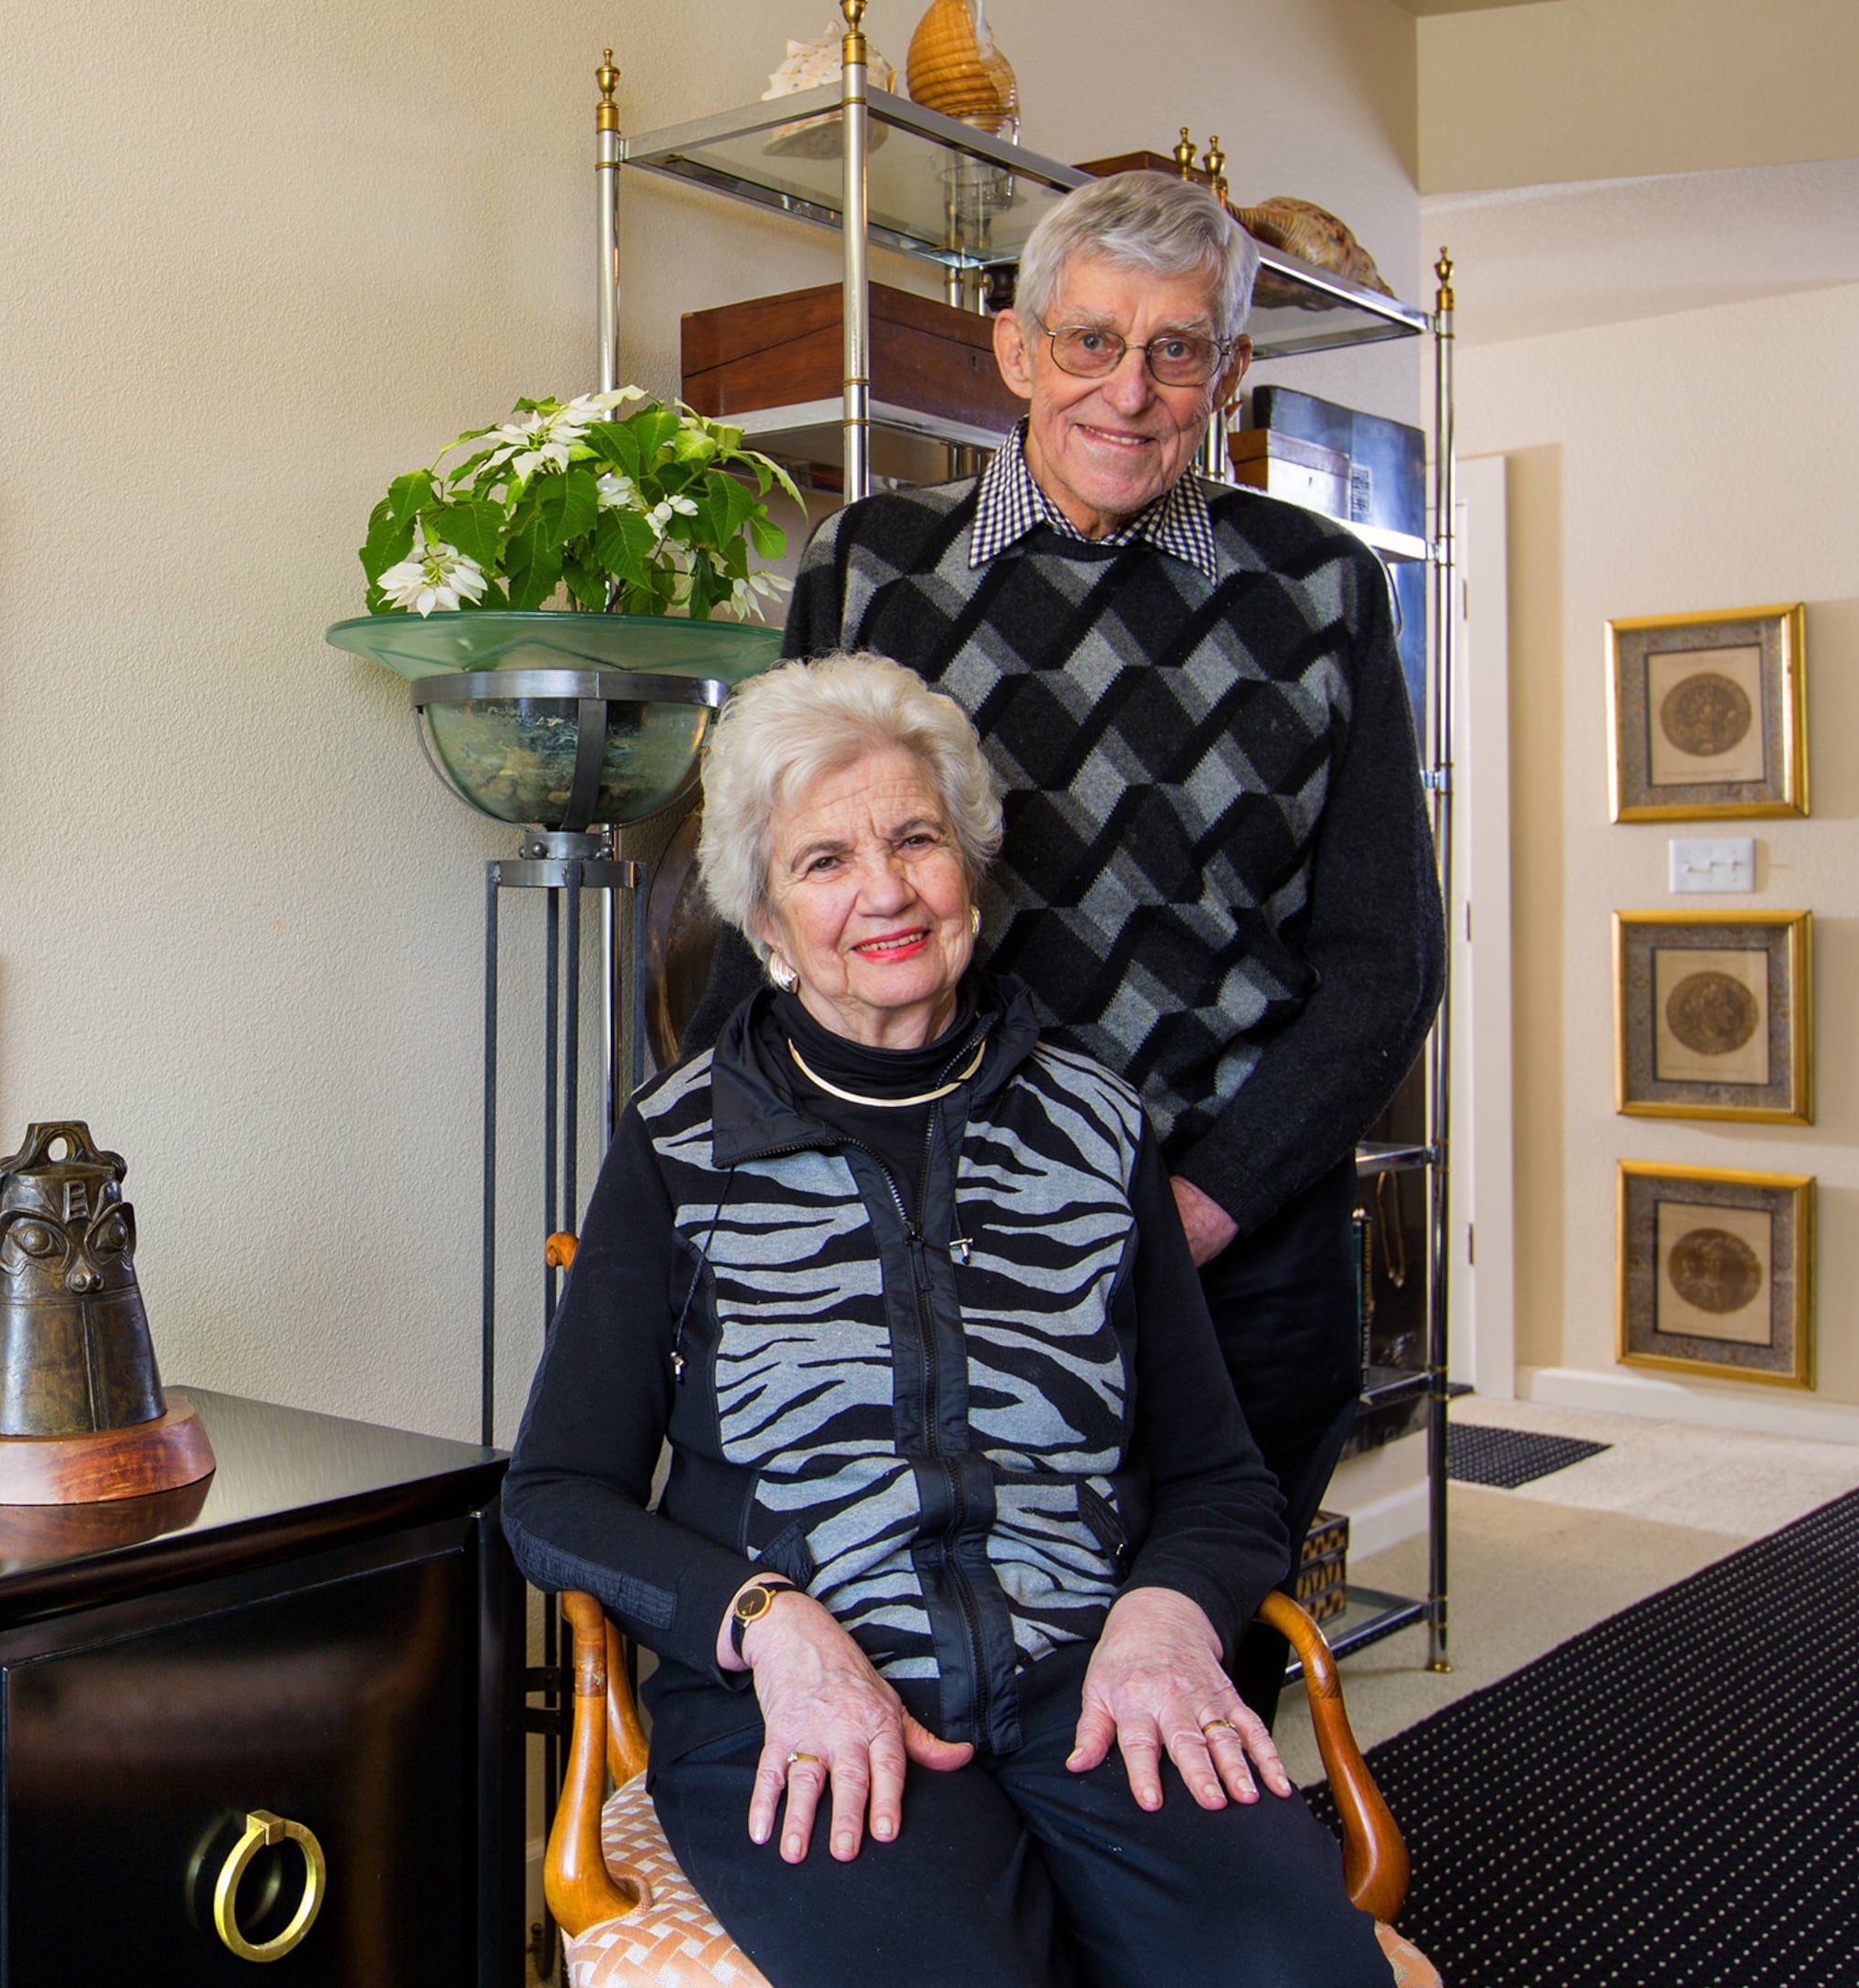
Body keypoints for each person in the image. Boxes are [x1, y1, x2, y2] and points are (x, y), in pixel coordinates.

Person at [506, 656, 1390, 1988]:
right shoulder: (680, 1145)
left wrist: (1163, 1616)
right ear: (763, 915)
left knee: (1299, 1972)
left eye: (916, 838)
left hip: (1090, 1684)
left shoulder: (1096, 1129)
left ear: (967, 865)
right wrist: (769, 1625)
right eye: (824, 861)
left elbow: (1220, 1476)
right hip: (797, 1710)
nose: (885, 891)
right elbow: (557, 1495)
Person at [699, 170, 1445, 1709]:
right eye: (1091, 340)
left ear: (1232, 375)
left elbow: (1386, 964)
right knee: (946, 1681)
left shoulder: (1319, 592)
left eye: (1180, 351)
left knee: (1177, 1680)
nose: (1131, 388)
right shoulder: (871, 570)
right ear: (1016, 350)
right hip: (928, 1232)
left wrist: (1202, 1207)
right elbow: (779, 894)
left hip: (1237, 1255)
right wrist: (723, 1172)